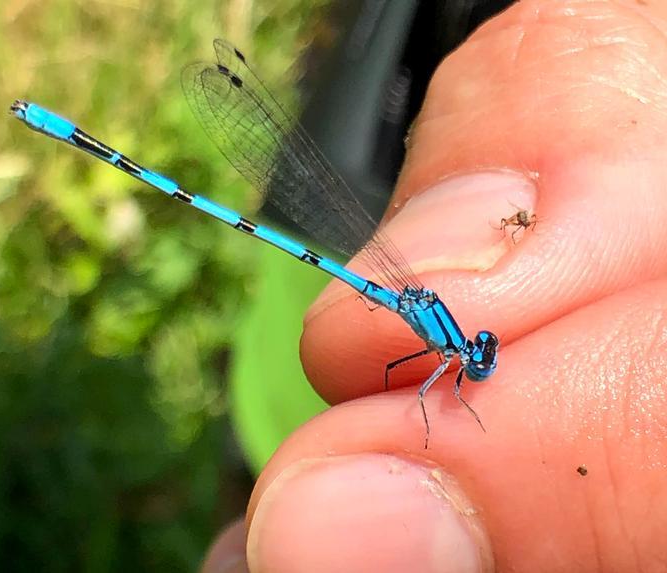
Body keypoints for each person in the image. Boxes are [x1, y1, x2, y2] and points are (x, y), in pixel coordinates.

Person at [202, 0, 667, 570]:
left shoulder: (447, 343)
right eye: (476, 362)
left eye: (476, 361)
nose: (474, 364)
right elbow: (416, 387)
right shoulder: (446, 346)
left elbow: (402, 372)